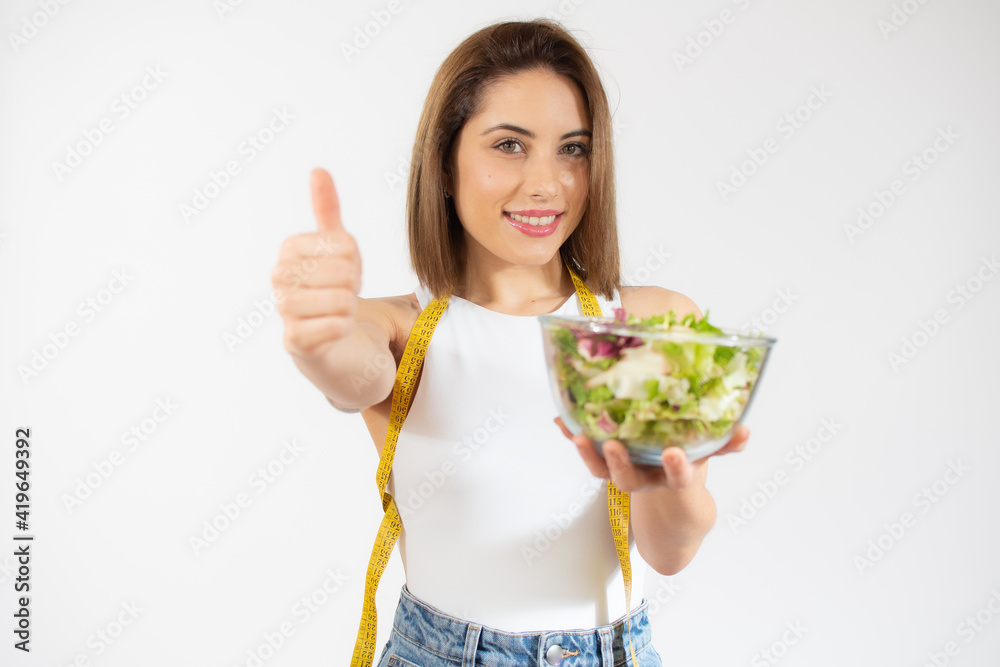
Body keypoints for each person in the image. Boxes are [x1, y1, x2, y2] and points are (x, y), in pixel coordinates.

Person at [271, 18, 750, 667]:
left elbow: (670, 553)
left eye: (573, 149)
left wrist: (672, 482)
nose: (547, 183)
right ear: (444, 163)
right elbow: (352, 371)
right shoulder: (400, 328)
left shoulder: (653, 325)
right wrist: (318, 337)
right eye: (509, 145)